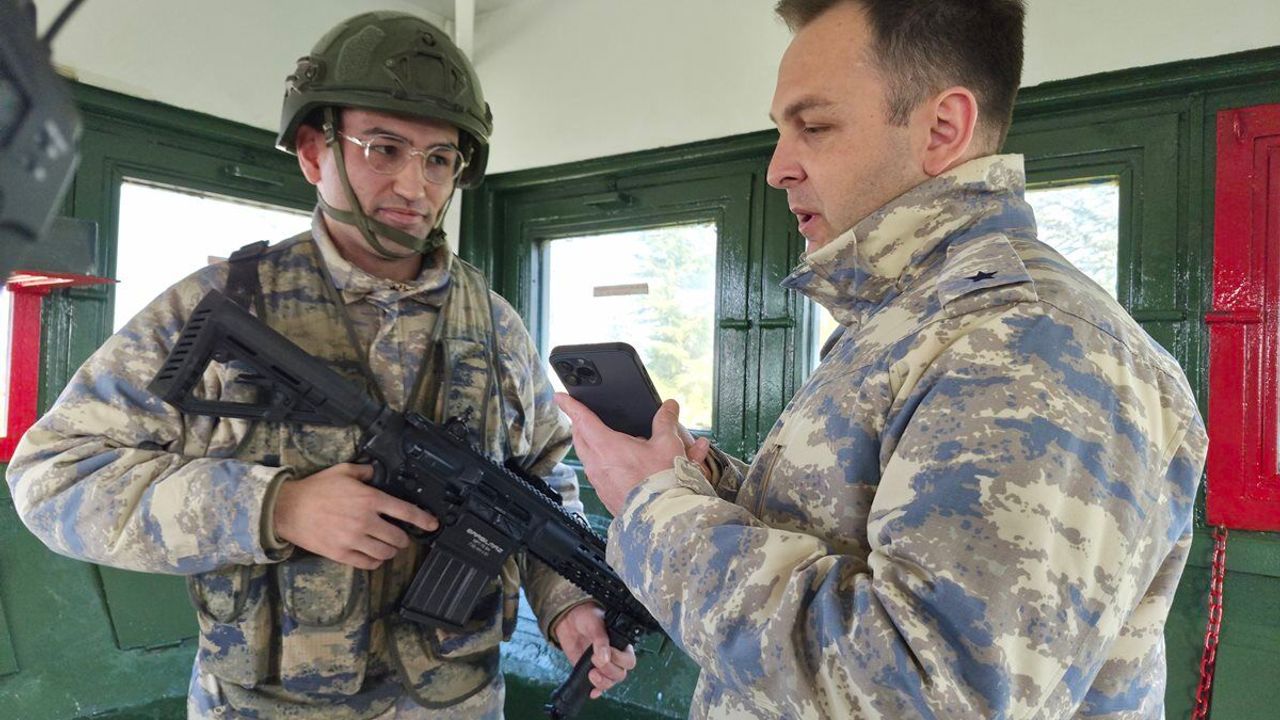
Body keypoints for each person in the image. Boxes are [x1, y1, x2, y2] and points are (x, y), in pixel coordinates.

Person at [555, 1, 1207, 718]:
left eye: (815, 126)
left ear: (943, 128)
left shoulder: (1029, 339)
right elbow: (843, 537)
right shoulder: (915, 319)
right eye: (781, 131)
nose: (777, 168)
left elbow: (927, 690)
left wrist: (657, 511)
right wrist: (702, 483)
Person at [6, 11, 633, 719]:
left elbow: (542, 485)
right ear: (313, 152)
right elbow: (52, 477)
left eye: (439, 159)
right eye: (384, 149)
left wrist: (569, 605)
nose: (415, 187)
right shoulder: (224, 305)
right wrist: (276, 507)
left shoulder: (494, 326)